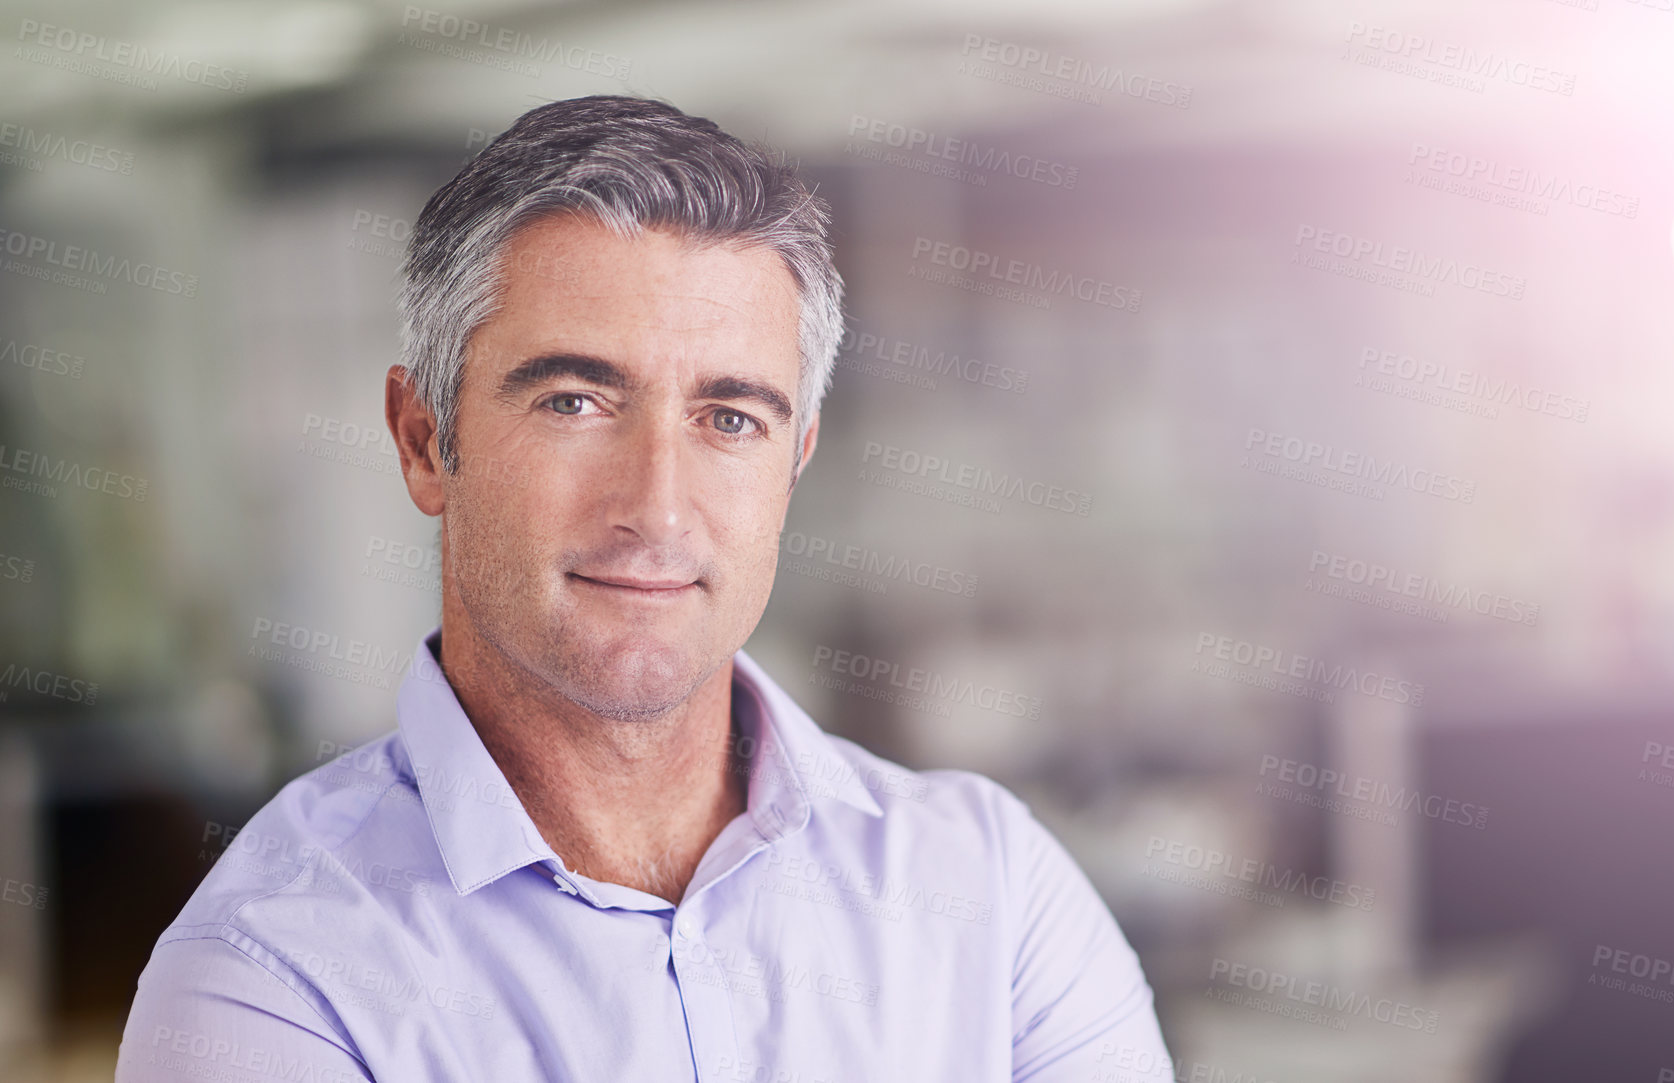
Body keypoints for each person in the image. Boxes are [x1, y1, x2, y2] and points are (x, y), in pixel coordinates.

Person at [116, 95, 1172, 1081]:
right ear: (425, 440)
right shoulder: (272, 983)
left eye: (729, 419)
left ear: (795, 459)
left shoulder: (993, 896)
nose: (658, 508)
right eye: (575, 401)